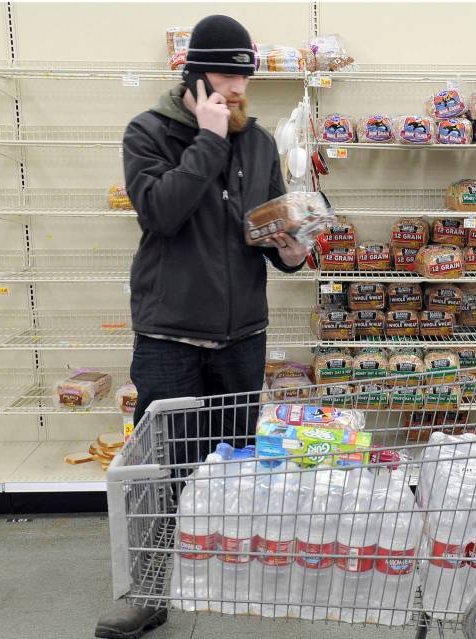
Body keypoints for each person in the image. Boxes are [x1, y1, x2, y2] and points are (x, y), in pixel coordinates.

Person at [95, 15, 306, 638]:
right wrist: (209, 141)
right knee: (163, 467)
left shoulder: (262, 142)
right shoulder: (149, 133)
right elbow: (160, 212)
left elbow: (262, 226)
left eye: (244, 75)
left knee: (235, 465)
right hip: (171, 337)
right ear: (192, 78)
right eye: (225, 76)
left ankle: (226, 572)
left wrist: (290, 252)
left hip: (243, 335)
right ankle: (150, 590)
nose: (238, 88)